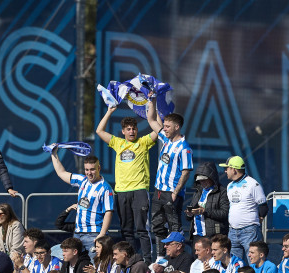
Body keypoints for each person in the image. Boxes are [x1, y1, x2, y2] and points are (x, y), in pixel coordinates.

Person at [96, 105, 156, 263]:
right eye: (128, 129)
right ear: (123, 131)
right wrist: (109, 111)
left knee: (142, 229)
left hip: (140, 191)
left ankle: (148, 261)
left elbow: (159, 131)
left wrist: (153, 115)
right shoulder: (118, 143)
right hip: (121, 192)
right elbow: (99, 131)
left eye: (134, 129)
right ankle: (131, 261)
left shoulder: (143, 142)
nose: (131, 131)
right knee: (126, 230)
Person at [146, 107, 194, 257]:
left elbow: (186, 172)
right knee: (157, 225)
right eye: (164, 126)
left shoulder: (184, 148)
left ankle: (177, 258)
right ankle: (161, 257)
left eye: (167, 126)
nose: (164, 129)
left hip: (171, 193)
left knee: (174, 227)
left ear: (176, 127)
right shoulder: (166, 140)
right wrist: (152, 101)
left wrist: (175, 192)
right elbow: (151, 120)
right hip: (158, 192)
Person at [49, 148, 114, 255]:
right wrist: (53, 153)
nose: (89, 173)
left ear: (99, 168)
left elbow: (109, 212)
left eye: (92, 169)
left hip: (94, 234)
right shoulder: (82, 180)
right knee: (77, 266)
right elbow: (61, 173)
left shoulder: (105, 188)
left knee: (93, 267)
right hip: (78, 233)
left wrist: (101, 234)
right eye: (87, 170)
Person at [219, 156, 267, 264]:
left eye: (227, 168)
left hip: (249, 231)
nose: (225, 171)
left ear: (234, 169)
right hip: (232, 231)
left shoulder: (252, 184)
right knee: (234, 264)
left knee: (254, 262)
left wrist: (258, 220)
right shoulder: (229, 186)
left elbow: (263, 206)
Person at [185, 162, 229, 241]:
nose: (202, 182)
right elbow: (189, 217)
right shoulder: (198, 192)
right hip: (196, 235)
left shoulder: (222, 192)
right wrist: (190, 214)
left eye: (204, 180)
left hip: (212, 236)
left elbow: (224, 213)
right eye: (200, 180)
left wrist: (204, 211)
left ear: (212, 178)